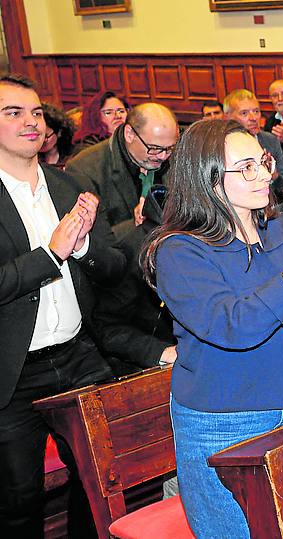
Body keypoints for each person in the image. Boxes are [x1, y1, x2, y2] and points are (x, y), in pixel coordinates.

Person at [144, 119, 283, 538]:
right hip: (227, 418)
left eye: (263, 161)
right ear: (207, 178)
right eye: (246, 167)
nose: (266, 173)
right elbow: (234, 326)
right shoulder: (182, 251)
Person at [0, 73, 124, 538]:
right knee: (19, 498)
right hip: (13, 371)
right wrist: (51, 254)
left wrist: (85, 243)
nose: (31, 122)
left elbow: (113, 270)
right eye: (13, 113)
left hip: (79, 355)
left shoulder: (68, 184)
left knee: (100, 482)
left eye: (35, 112)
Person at [92, 183, 176, 375]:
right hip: (155, 371)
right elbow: (107, 327)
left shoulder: (226, 234)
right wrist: (161, 352)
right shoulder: (136, 246)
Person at [66, 103, 178, 229]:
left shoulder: (177, 158)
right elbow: (93, 239)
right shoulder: (84, 169)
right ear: (129, 134)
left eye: (169, 148)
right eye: (154, 148)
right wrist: (137, 223)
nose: (163, 156)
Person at [223, 89, 283, 200]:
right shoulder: (223, 145)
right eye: (244, 113)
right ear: (227, 117)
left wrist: (274, 176)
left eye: (256, 111)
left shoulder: (270, 140)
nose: (253, 118)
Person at [71, 91, 127, 156]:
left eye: (122, 111)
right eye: (108, 112)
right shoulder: (87, 146)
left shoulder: (134, 138)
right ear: (96, 117)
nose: (118, 116)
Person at [38, 103, 74, 168]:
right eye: (37, 135)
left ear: (59, 132)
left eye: (45, 136)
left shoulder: (72, 157)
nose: (40, 141)